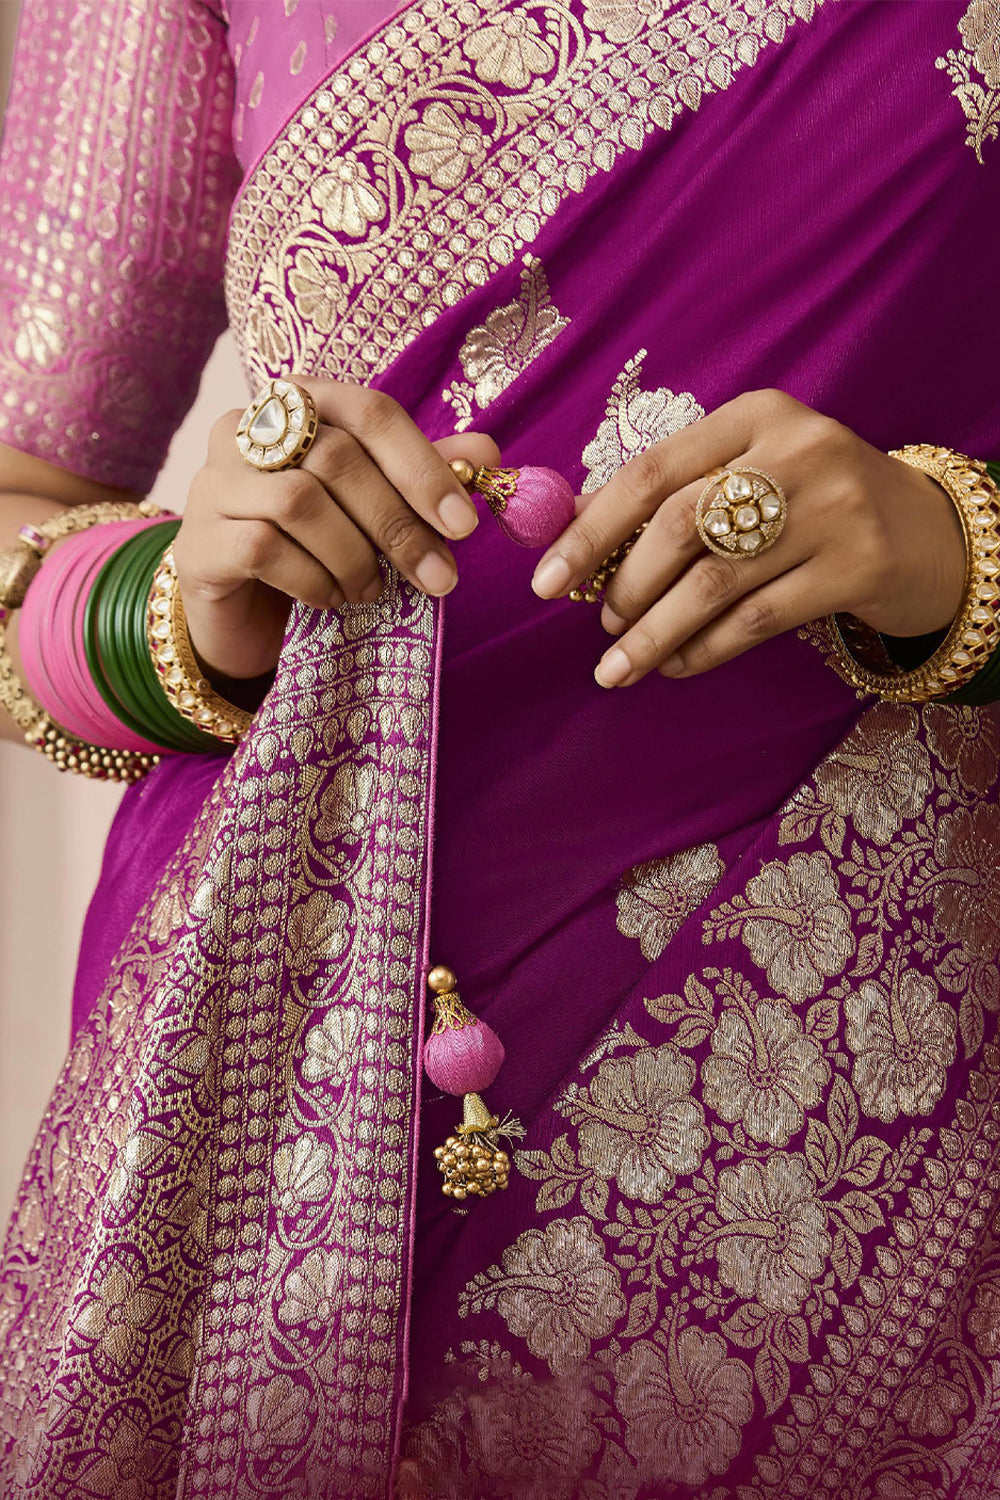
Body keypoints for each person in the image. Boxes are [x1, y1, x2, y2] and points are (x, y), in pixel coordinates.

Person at [1, 0, 999, 1495]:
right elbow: (22, 492)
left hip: (868, 1054)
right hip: (272, 1033)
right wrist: (169, 603)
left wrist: (947, 555)